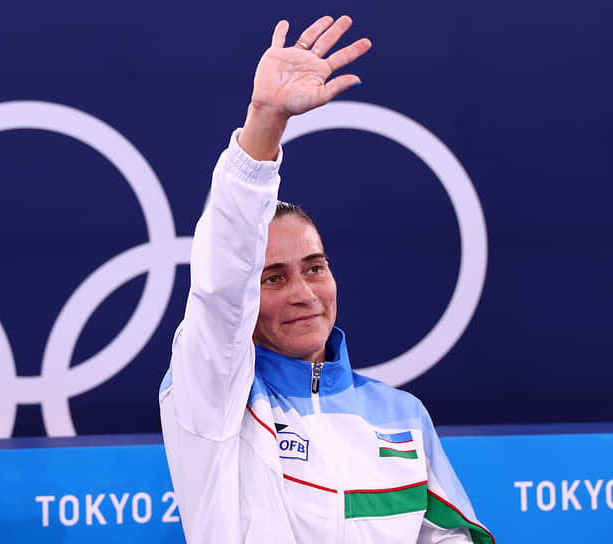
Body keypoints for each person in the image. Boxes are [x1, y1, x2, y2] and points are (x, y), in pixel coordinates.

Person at [159, 15, 493, 544]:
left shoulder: (402, 416)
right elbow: (221, 282)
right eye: (273, 278)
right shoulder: (215, 397)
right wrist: (265, 120)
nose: (303, 294)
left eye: (314, 268)